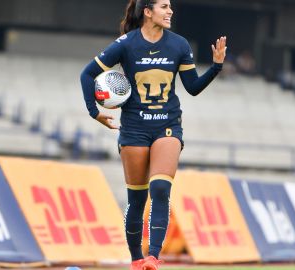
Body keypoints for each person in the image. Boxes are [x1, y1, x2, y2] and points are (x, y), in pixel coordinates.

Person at [80, 0, 227, 269]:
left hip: (167, 124)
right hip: (134, 127)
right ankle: (137, 260)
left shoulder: (179, 44)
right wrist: (94, 112)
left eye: (170, 6)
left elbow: (192, 87)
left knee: (160, 188)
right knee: (136, 199)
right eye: (163, 6)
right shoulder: (125, 43)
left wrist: (216, 68)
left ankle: (153, 257)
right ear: (148, 12)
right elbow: (87, 75)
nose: (170, 11)